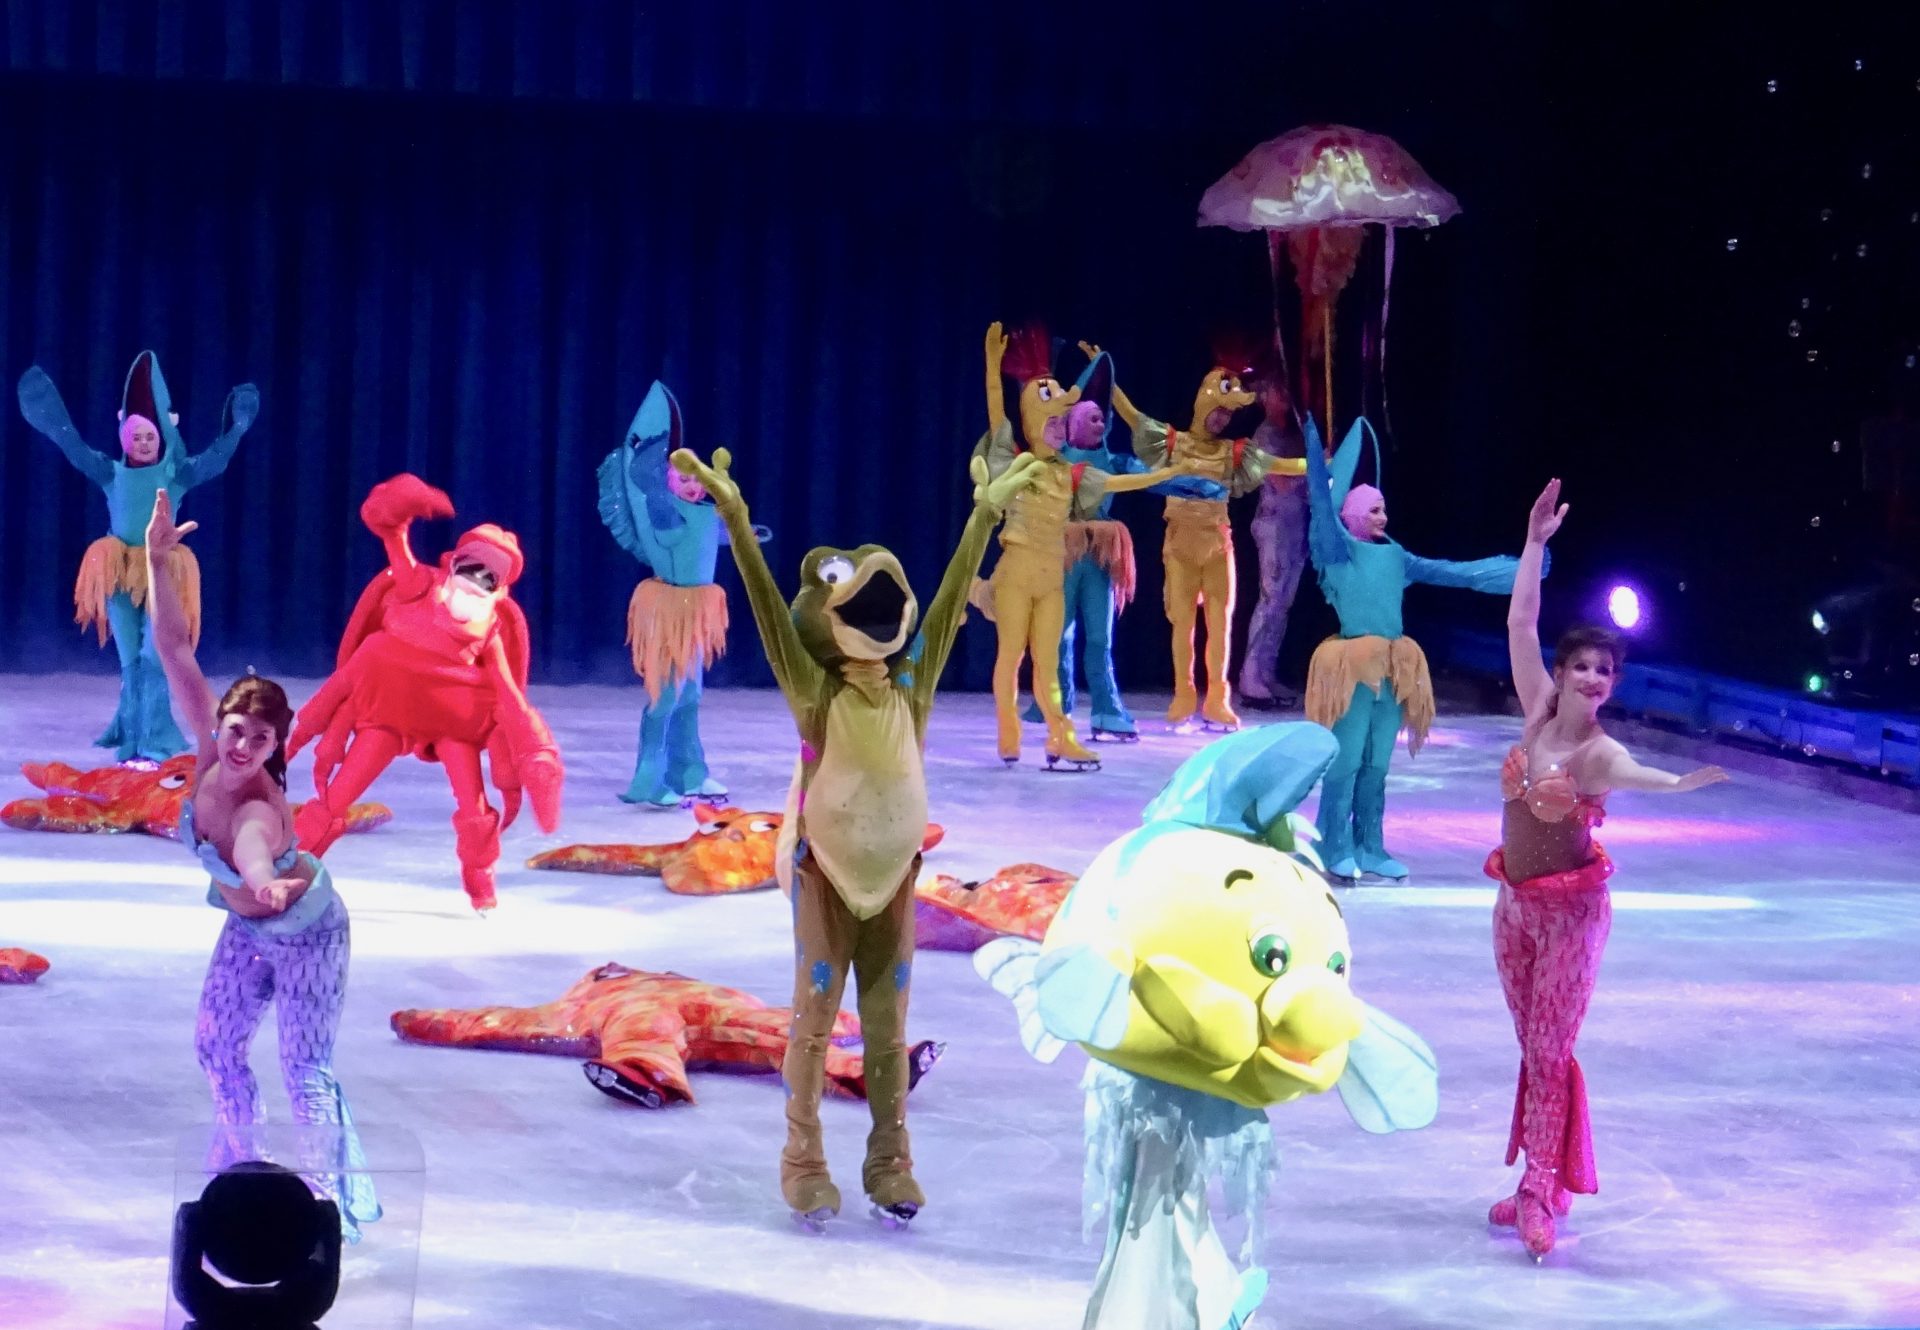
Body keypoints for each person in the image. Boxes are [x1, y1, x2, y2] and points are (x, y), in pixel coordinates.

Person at [1488, 478, 1727, 1260]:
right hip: (1513, 909)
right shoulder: (1535, 710)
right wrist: (1534, 544)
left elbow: (1635, 775)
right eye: (1584, 666)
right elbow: (1521, 621)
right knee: (1535, 1052)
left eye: (1606, 672)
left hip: (1572, 919)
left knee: (1549, 1053)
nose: (1594, 678)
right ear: (1561, 673)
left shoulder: (1600, 751)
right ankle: (1547, 1177)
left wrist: (1679, 784)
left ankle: (1539, 1191)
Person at [144, 489, 378, 1237]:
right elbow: (174, 649)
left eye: (260, 739)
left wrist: (264, 882)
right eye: (235, 729)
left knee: (305, 1071)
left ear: (278, 748)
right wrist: (157, 561)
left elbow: (249, 851)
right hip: (251, 929)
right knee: (217, 1047)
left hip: (309, 933)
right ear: (219, 726)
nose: (242, 746)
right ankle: (243, 1173)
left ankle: (325, 1211)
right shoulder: (210, 756)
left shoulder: (258, 808)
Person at [1238, 378, 1314, 710]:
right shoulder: (1264, 436)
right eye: (1276, 391)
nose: (1283, 396)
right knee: (1270, 600)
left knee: (1283, 604)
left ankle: (1266, 673)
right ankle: (1250, 674)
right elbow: (1281, 482)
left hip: (1296, 525)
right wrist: (1316, 467)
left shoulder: (1296, 435)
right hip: (1274, 524)